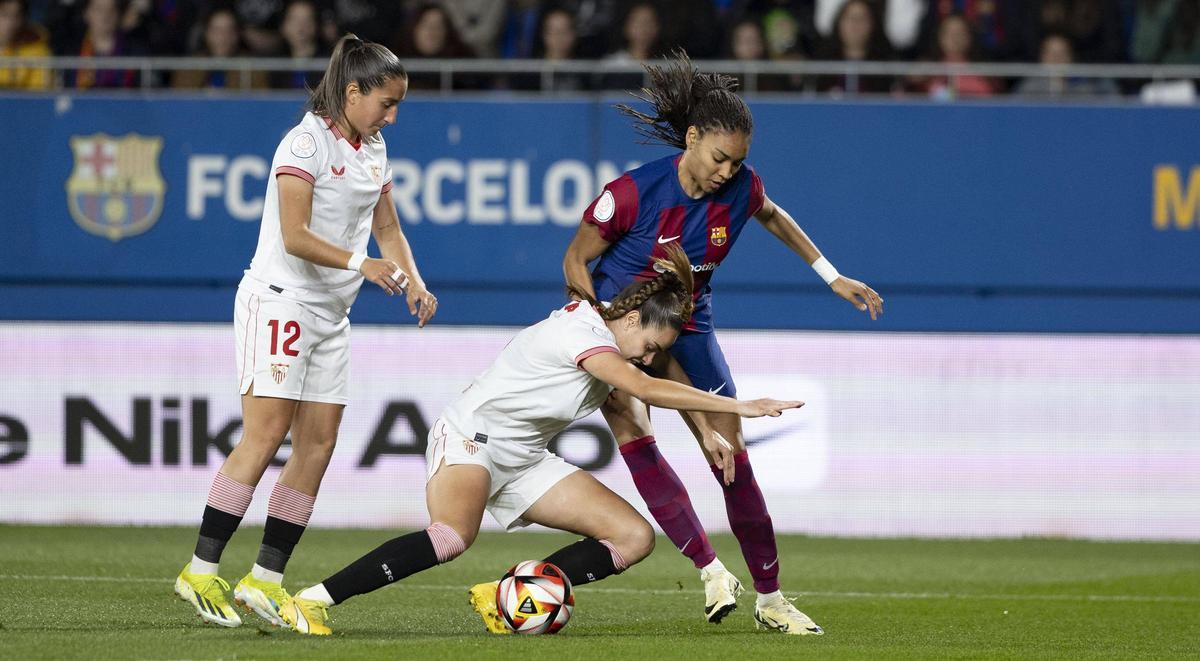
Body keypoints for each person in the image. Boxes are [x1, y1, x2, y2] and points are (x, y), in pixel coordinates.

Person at [276, 246, 805, 635]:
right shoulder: (587, 335)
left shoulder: (616, 345)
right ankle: (313, 600)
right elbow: (646, 387)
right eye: (648, 344)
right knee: (452, 537)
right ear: (630, 316)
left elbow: (654, 378)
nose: (646, 356)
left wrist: (707, 431)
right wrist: (742, 407)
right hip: (471, 440)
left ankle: (505, 594)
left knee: (633, 538)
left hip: (524, 458)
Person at [562, 51, 883, 635]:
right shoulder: (632, 194)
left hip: (690, 323)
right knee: (636, 429)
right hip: (624, 323)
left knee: (731, 456)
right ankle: (710, 570)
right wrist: (600, 320)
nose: (727, 173)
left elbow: (773, 213)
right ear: (691, 139)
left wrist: (829, 273)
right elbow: (575, 258)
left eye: (737, 162)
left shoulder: (741, 189)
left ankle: (771, 599)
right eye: (718, 158)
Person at [174, 33, 438, 629]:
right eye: (386, 103)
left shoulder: (373, 149)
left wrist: (413, 279)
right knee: (265, 434)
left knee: (318, 444)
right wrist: (361, 263)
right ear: (352, 91)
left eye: (397, 106)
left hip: (330, 315)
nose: (392, 116)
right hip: (281, 301)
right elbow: (293, 234)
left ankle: (263, 578)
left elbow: (387, 227)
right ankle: (199, 569)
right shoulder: (305, 142)